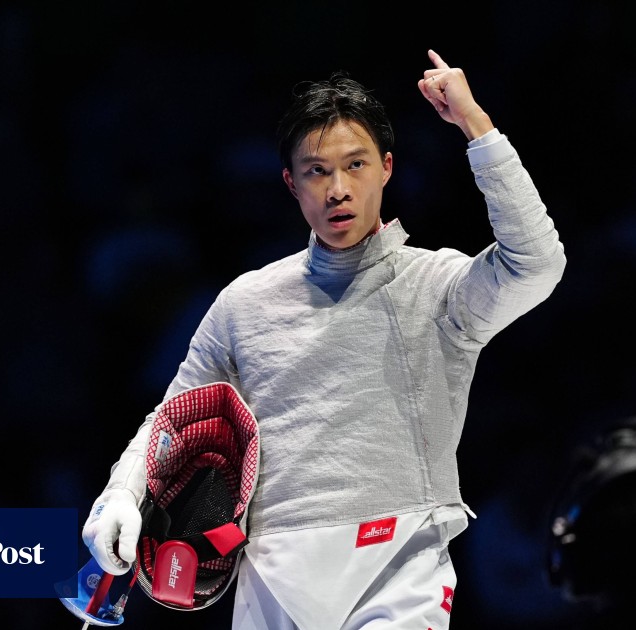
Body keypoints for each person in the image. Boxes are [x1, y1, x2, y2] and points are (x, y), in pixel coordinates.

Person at [81, 49, 566, 629]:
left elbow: (536, 264)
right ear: (291, 182)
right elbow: (174, 420)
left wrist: (476, 127)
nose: (338, 189)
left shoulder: (438, 288)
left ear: (386, 168)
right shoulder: (246, 302)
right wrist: (121, 494)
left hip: (397, 566)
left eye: (355, 165)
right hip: (272, 576)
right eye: (317, 171)